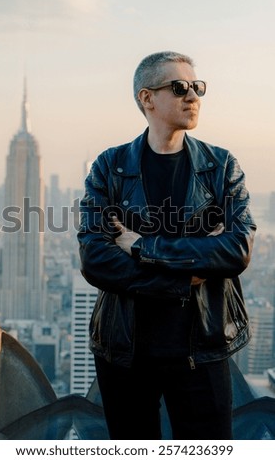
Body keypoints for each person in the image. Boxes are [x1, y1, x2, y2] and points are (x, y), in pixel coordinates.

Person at [77, 51, 256, 440]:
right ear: (147, 98)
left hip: (203, 348)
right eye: (179, 87)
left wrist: (141, 246)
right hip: (125, 352)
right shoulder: (110, 167)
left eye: (197, 87)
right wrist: (182, 277)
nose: (193, 96)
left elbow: (237, 248)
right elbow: (94, 257)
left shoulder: (221, 166)